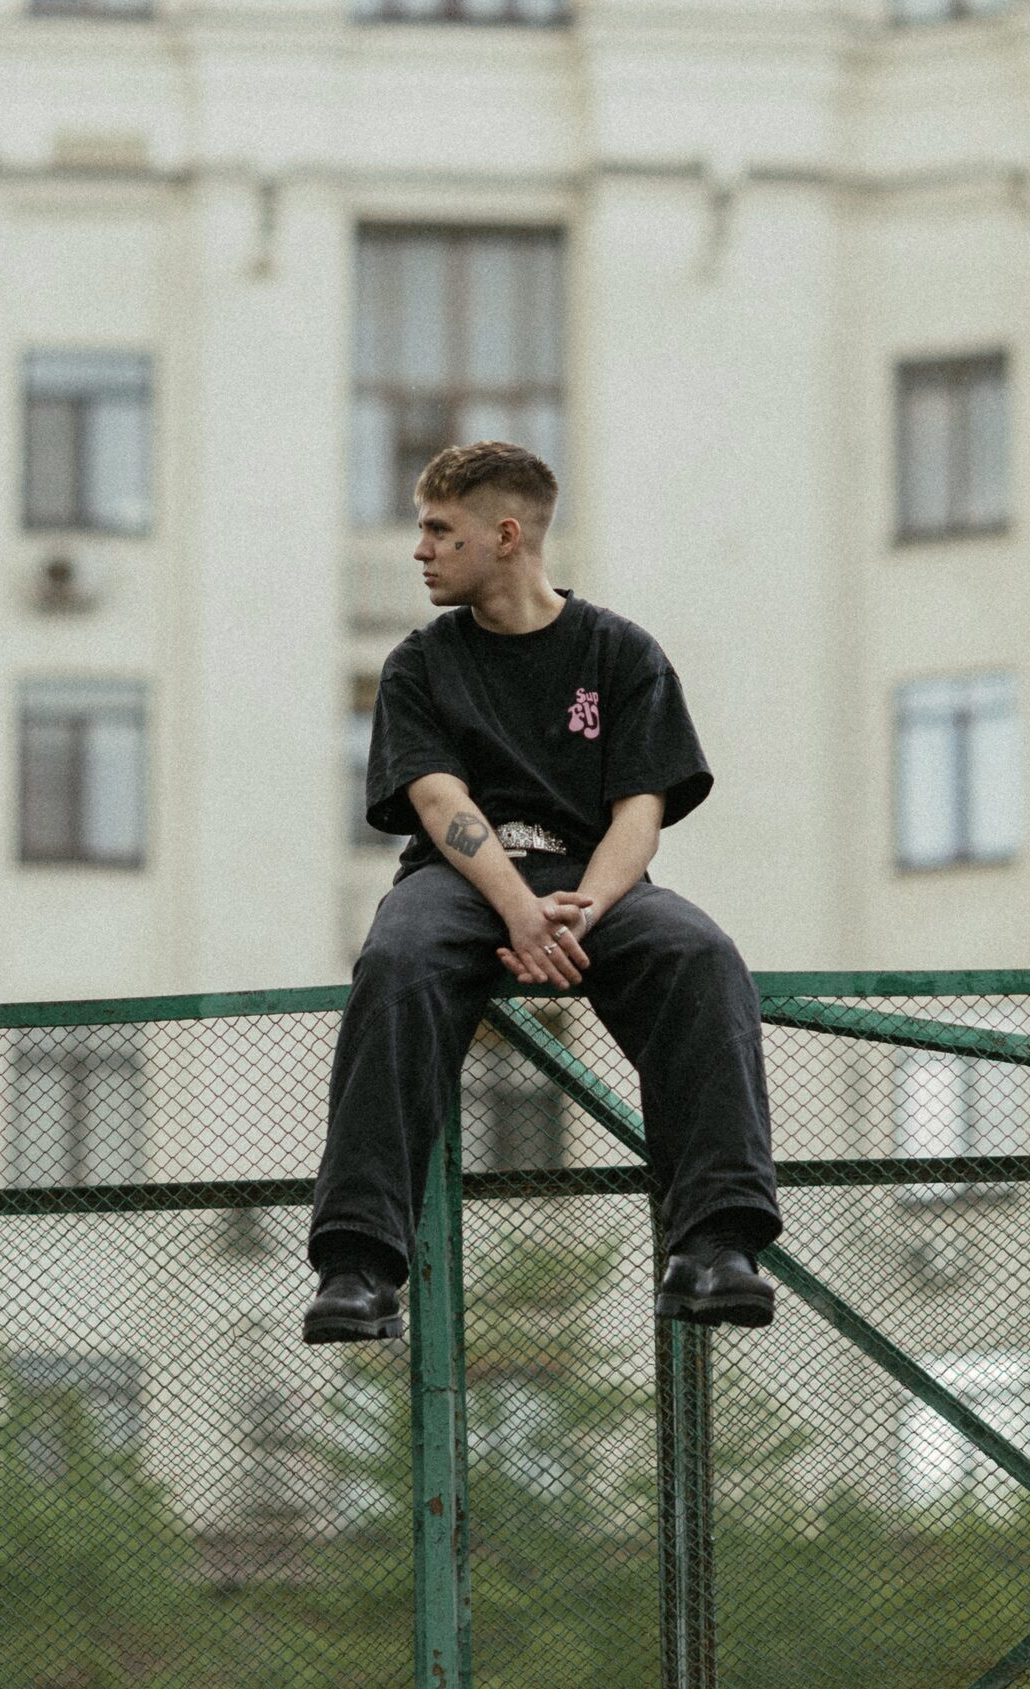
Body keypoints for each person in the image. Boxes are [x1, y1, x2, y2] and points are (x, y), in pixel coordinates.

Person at [303, 441, 781, 1343]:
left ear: (506, 536)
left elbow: (640, 816)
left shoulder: (620, 653)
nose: (420, 550)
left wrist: (583, 910)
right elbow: (438, 802)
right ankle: (359, 1266)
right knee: (397, 959)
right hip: (457, 880)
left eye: (439, 530)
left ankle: (714, 1246)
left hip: (593, 881)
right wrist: (520, 909)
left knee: (701, 954)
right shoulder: (419, 664)